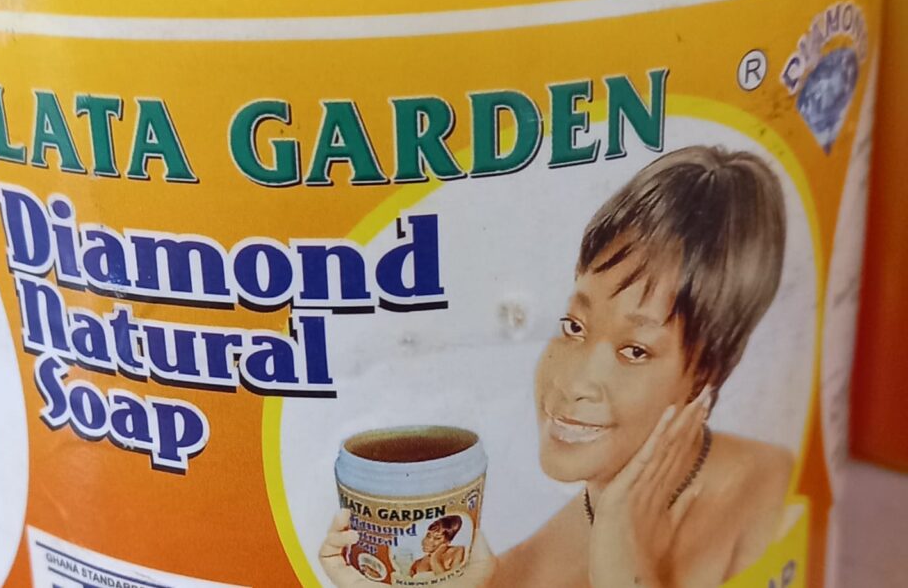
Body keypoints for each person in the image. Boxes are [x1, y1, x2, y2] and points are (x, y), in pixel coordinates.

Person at [322, 145, 794, 588]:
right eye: (574, 326)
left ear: (705, 371)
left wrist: (624, 569)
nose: (574, 384)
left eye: (635, 350)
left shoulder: (770, 491)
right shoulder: (548, 551)